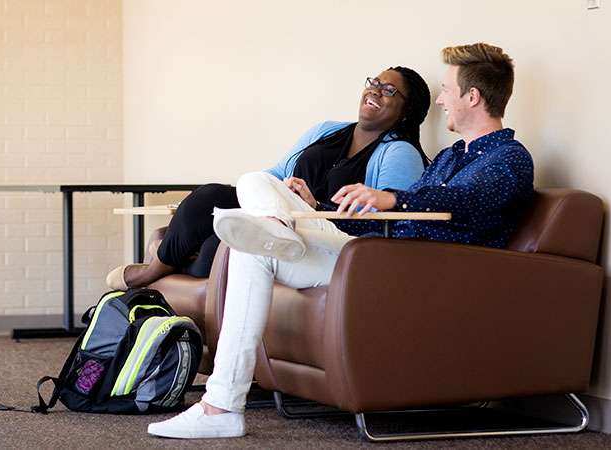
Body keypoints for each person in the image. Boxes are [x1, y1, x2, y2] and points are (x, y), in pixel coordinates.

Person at [147, 42, 533, 439]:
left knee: (259, 235)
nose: (440, 101)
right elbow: (389, 218)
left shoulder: (507, 159)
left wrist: (394, 198)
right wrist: (318, 206)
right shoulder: (451, 157)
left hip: (412, 271)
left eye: (448, 90)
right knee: (254, 207)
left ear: (473, 96)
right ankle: (220, 406)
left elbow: (465, 201)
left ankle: (279, 234)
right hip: (374, 256)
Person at [105, 66, 432, 290]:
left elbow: (386, 219)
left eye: (389, 90)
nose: (375, 91)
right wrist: (271, 190)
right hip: (277, 212)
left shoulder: (399, 153)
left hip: (317, 229)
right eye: (373, 83)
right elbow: (274, 174)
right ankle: (169, 253)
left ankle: (156, 265)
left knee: (214, 251)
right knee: (210, 198)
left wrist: (315, 205)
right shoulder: (327, 131)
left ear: (406, 110)